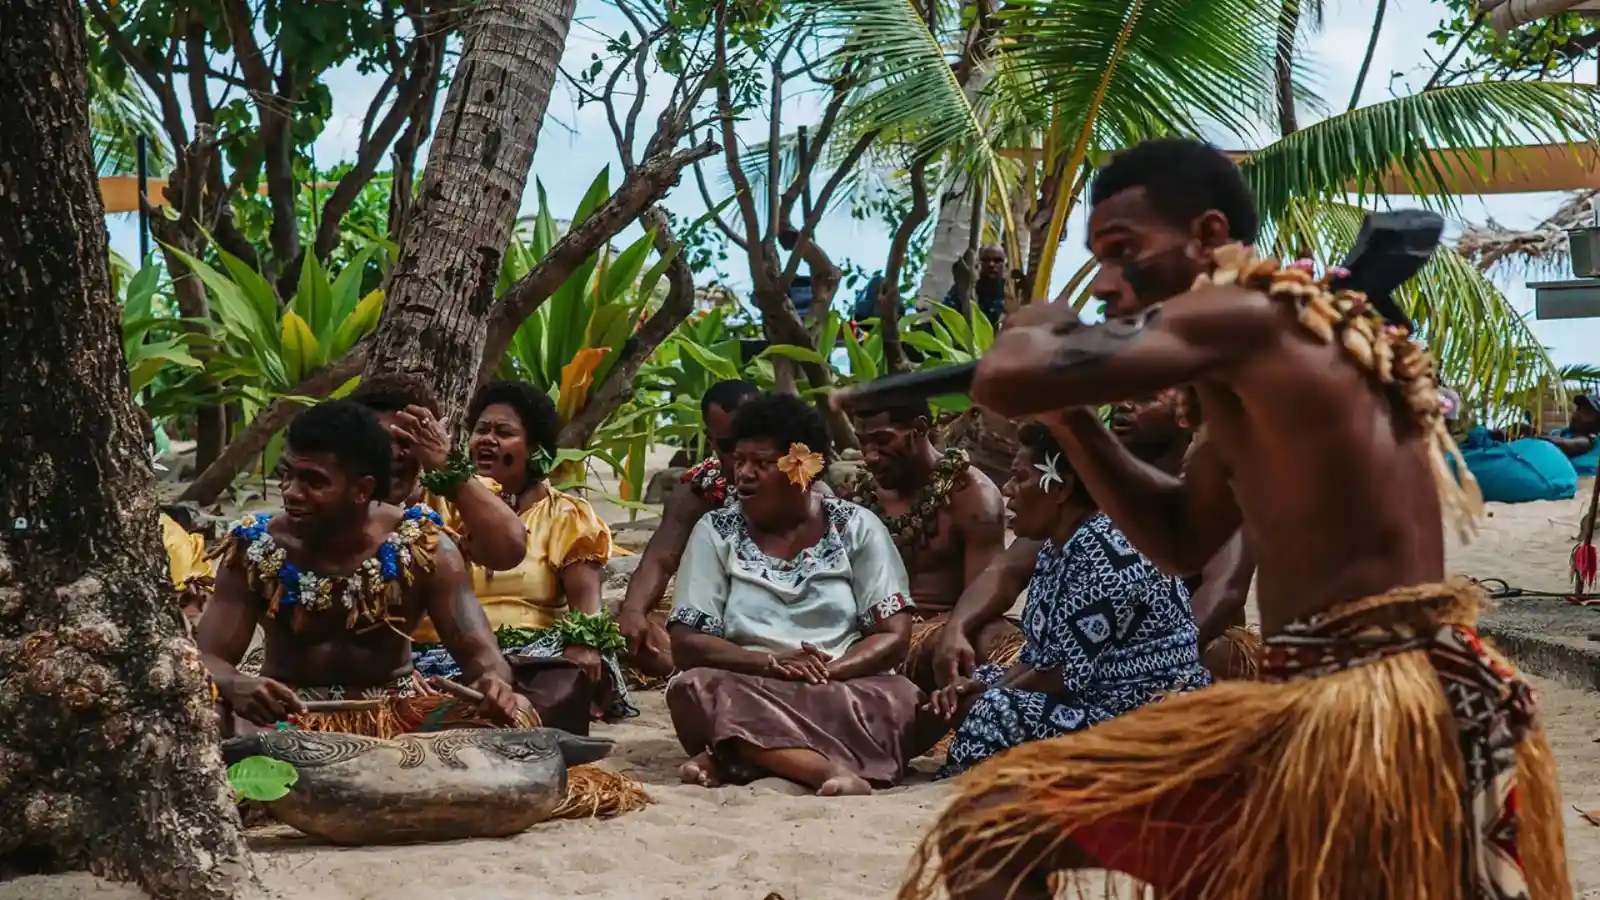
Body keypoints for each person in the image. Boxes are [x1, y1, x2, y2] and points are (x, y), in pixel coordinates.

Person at [858, 138, 1565, 900]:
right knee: (997, 823)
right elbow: (1181, 538)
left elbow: (1021, 368)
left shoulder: (1250, 313)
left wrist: (1036, 330)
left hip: (1371, 703)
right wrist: (1073, 423)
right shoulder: (1247, 386)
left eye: (1123, 251)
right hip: (1334, 698)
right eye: (1095, 258)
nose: (1105, 286)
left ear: (1208, 236)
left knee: (995, 825)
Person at [197, 399, 532, 738]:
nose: (291, 493)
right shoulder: (255, 547)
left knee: (517, 712)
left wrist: (494, 684)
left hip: (395, 717)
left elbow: (485, 660)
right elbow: (206, 658)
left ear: (362, 490)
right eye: (287, 475)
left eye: (313, 481)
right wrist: (235, 683)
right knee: (201, 714)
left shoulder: (421, 548)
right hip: (283, 717)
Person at [665, 393, 922, 796]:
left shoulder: (856, 526)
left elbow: (894, 634)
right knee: (695, 689)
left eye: (762, 464)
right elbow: (686, 642)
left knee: (904, 699)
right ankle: (822, 770)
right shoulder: (716, 530)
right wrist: (771, 664)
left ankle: (740, 754)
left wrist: (828, 672)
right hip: (748, 681)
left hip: (839, 685)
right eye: (739, 460)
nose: (743, 474)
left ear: (802, 468)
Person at [927, 423, 1207, 777]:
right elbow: (1040, 658)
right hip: (1097, 697)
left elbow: (1060, 673)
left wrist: (989, 696)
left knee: (994, 709)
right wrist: (983, 685)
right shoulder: (1058, 548)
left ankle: (964, 778)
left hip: (1147, 716)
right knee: (978, 685)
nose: (1008, 490)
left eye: (1020, 478)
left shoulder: (1109, 549)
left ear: (1061, 488)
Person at [406, 381, 635, 733]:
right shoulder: (432, 503)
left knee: (565, 677)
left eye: (504, 432)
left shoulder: (567, 514)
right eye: (481, 430)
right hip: (445, 655)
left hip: (533, 657)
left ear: (535, 449)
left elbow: (586, 605)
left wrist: (584, 646)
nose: (487, 439)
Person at [842, 399, 1012, 693]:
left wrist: (946, 631)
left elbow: (985, 595)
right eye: (862, 442)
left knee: (998, 640)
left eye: (882, 441)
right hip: (870, 632)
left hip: (944, 627)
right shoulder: (859, 496)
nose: (869, 456)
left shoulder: (971, 497)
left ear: (920, 428)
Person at [615, 379, 763, 678]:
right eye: (728, 445)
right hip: (713, 624)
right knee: (637, 633)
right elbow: (659, 560)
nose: (740, 454)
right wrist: (633, 611)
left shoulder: (804, 490)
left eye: (751, 438)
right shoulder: (697, 492)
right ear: (710, 439)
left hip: (789, 620)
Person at [1110, 388, 1259, 679]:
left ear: (1183, 413)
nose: (1123, 404)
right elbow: (1012, 567)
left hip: (1184, 649)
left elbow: (1225, 593)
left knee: (1222, 653)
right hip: (1097, 643)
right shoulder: (1094, 481)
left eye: (1143, 397)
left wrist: (1140, 660)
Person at [350, 373, 529, 572]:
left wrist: (446, 464)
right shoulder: (329, 499)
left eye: (405, 441)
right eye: (381, 442)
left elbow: (509, 550)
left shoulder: (454, 498)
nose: (393, 453)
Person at [942, 245, 1016, 326]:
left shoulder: (1011, 292)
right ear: (979, 263)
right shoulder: (966, 285)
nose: (991, 264)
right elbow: (945, 314)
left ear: (1005, 265)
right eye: (986, 260)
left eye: (997, 261)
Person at [1542, 392, 1600, 475]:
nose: (1576, 415)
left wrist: (1536, 439)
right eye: (1578, 409)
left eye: (1587, 414)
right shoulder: (1558, 432)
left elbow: (1570, 445)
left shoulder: (1593, 440)